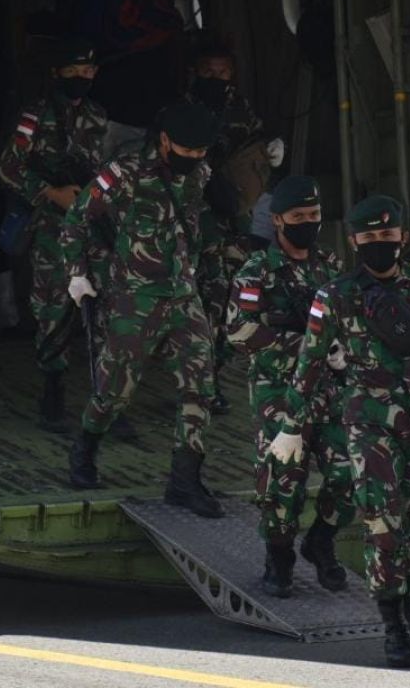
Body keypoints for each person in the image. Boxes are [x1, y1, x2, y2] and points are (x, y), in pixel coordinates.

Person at [272, 195, 410, 669]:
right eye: (370, 238)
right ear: (354, 241)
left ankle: (398, 583)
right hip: (367, 425)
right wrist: (292, 426)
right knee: (381, 521)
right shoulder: (335, 294)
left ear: (403, 237)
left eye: (388, 237)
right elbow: (310, 363)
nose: (380, 244)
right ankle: (394, 624)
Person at [61, 102, 224, 519]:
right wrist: (78, 275)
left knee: (199, 387)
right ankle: (85, 450)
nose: (192, 160)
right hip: (134, 300)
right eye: (185, 151)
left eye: (199, 152)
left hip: (183, 298)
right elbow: (76, 222)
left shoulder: (199, 174)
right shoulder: (123, 174)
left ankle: (184, 481)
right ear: (166, 140)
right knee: (115, 392)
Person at [226, 176, 354, 598]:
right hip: (278, 390)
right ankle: (279, 559)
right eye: (298, 217)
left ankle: (321, 542)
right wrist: (303, 342)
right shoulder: (256, 272)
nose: (308, 224)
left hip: (329, 389)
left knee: (349, 473)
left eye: (314, 216)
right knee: (283, 481)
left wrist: (341, 348)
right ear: (278, 220)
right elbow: (239, 332)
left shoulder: (330, 265)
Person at [0, 37, 108, 433]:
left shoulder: (97, 117)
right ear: (56, 74)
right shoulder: (36, 116)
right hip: (48, 226)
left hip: (87, 226)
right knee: (52, 305)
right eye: (74, 71)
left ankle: (108, 397)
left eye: (89, 71)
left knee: (101, 307)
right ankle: (53, 386)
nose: (82, 78)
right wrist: (49, 193)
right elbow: (9, 167)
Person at [185, 41, 283, 415]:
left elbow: (254, 145)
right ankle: (199, 383)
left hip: (235, 219)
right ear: (195, 71)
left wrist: (270, 150)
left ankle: (212, 375)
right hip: (199, 220)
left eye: (223, 72)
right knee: (204, 302)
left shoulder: (239, 107)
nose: (217, 79)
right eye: (209, 72)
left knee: (234, 299)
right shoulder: (182, 111)